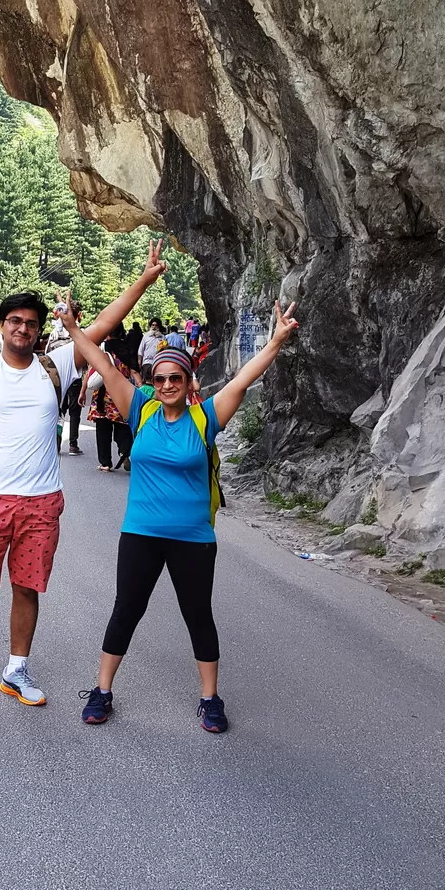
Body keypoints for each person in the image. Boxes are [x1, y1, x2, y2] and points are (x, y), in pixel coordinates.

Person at [0, 229, 168, 719]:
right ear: (3, 325)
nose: (22, 329)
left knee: (27, 589)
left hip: (42, 500)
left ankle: (16, 670)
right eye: (15, 321)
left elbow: (106, 323)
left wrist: (144, 280)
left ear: (41, 330)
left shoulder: (57, 365)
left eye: (31, 323)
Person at [61, 294, 298, 735]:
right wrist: (74, 329)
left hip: (193, 538)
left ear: (189, 383)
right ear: (152, 381)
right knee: (126, 610)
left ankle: (210, 699)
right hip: (141, 534)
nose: (167, 384)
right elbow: (105, 368)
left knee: (198, 615)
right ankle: (102, 690)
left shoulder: (206, 418)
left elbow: (243, 379)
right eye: (160, 377)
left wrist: (276, 341)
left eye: (176, 378)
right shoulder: (140, 410)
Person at [83, 323, 134, 472]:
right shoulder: (127, 348)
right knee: (122, 425)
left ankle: (105, 462)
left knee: (103, 429)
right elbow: (134, 370)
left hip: (104, 394)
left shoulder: (103, 348)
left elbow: (92, 370)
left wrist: (82, 391)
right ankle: (125, 452)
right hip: (122, 393)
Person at [47, 299, 84, 454]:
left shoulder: (55, 332)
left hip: (57, 377)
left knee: (58, 410)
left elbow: (48, 354)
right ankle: (73, 444)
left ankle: (56, 441)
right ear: (78, 315)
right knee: (75, 412)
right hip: (75, 377)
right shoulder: (80, 332)